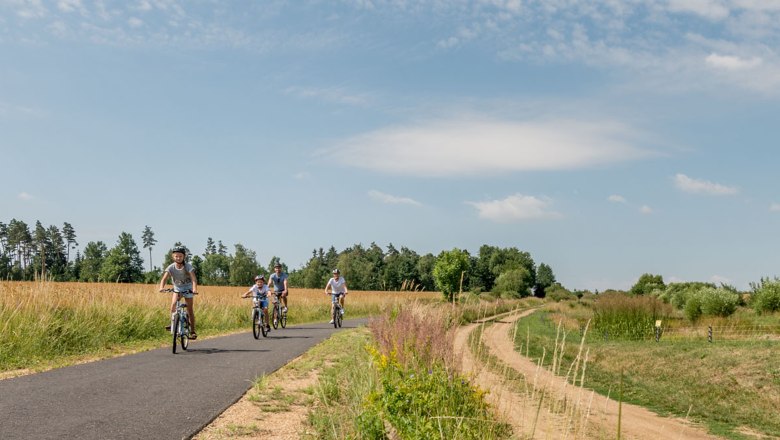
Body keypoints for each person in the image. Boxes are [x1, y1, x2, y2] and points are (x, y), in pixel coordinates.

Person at [158, 246, 199, 339]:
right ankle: (173, 323)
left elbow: (193, 279)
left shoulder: (188, 266)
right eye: (176, 256)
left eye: (180, 256)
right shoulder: (171, 267)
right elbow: (164, 278)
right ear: (173, 257)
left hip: (188, 287)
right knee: (173, 305)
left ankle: (192, 331)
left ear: (184, 257)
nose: (178, 258)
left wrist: (194, 289)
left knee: (189, 309)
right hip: (177, 287)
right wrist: (161, 287)